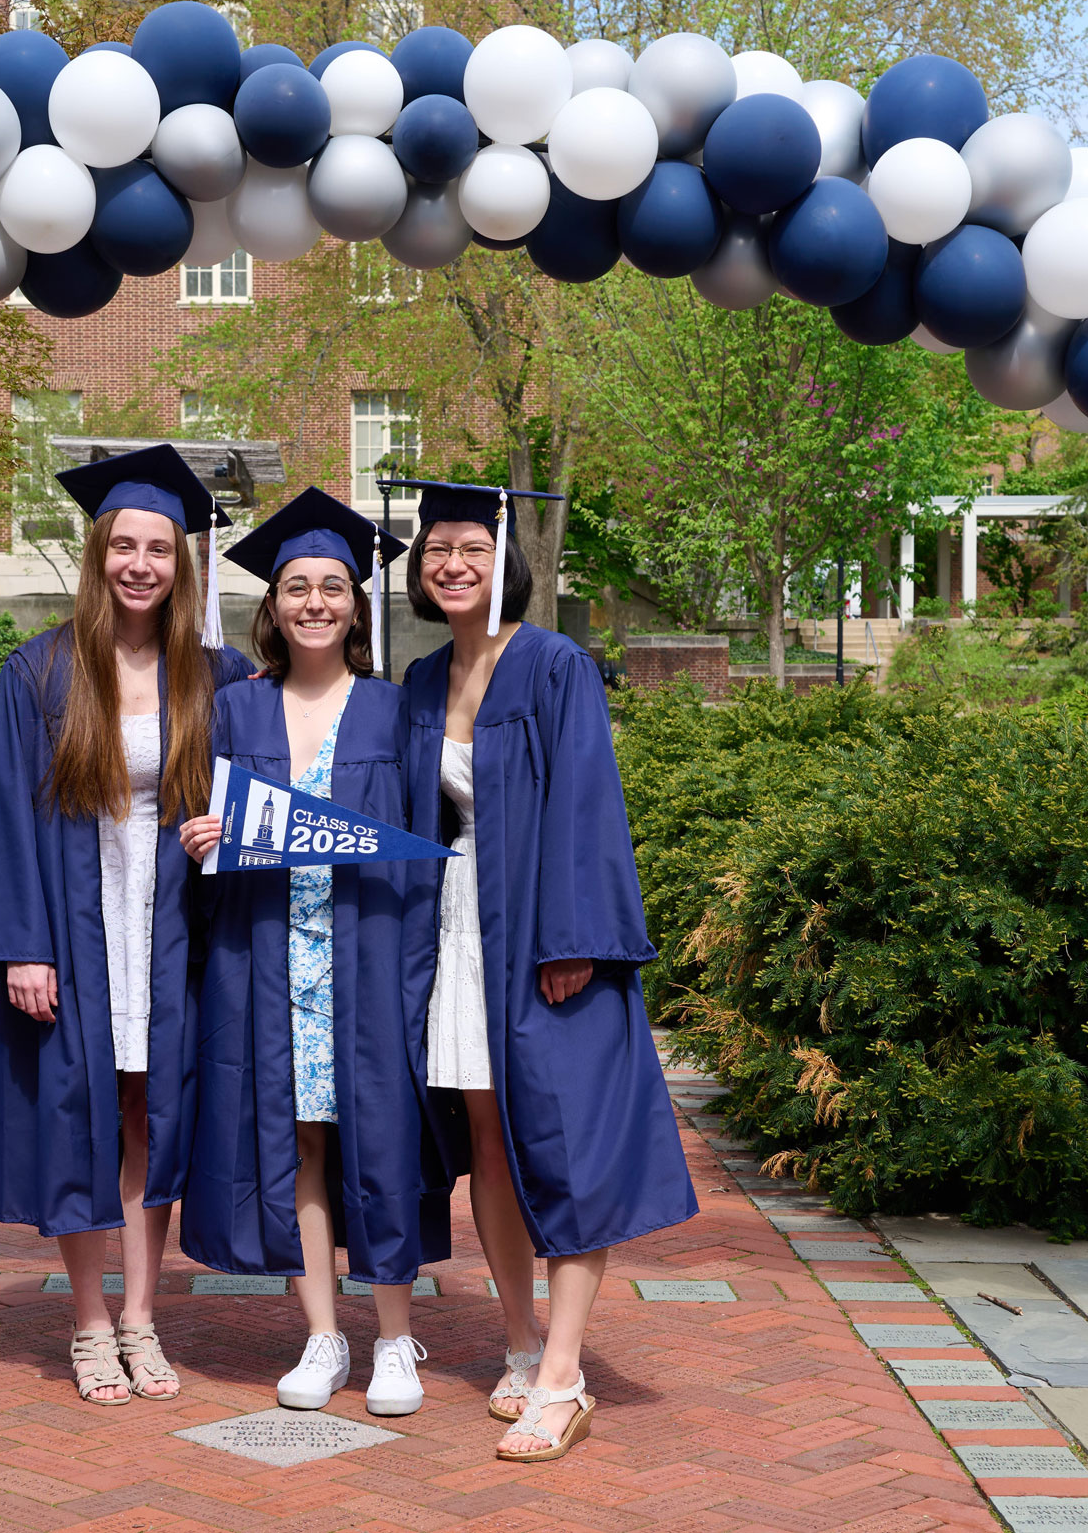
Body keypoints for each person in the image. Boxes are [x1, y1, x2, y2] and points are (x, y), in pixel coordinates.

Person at [0, 444, 251, 1408]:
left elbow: (268, 795)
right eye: (122, 545)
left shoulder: (218, 674)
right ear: (97, 554)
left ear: (180, 564)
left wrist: (228, 830)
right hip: (75, 932)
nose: (139, 565)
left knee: (152, 1121)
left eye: (158, 549)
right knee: (81, 1117)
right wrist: (22, 946)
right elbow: (4, 811)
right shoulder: (37, 673)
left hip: (175, 931)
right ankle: (87, 1325)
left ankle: (142, 1320)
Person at [400, 480, 695, 1463]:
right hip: (454, 927)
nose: (453, 564)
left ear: (505, 562)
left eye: (472, 549)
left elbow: (587, 802)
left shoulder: (555, 664)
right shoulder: (422, 678)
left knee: (561, 1144)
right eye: (437, 548)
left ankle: (565, 1377)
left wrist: (575, 938)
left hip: (539, 930)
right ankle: (520, 1343)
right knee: (487, 1138)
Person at [177, 489, 450, 1417]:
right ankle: (322, 1337)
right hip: (267, 957)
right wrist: (203, 841)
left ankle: (394, 1341)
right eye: (297, 586)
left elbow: (421, 846)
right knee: (297, 1145)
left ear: (357, 605)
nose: (315, 602)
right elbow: (208, 842)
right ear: (272, 605)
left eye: (333, 586)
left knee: (380, 1142)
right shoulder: (234, 710)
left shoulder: (391, 709)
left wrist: (417, 971)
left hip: (368, 957)